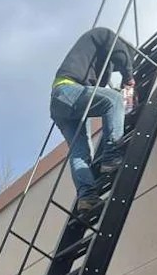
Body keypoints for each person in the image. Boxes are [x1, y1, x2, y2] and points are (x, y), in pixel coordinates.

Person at [50, 27, 136, 217]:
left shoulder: (97, 59)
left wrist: (119, 90)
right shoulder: (104, 34)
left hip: (61, 104)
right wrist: (129, 77)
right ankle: (112, 155)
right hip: (68, 90)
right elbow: (120, 54)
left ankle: (87, 196)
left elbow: (100, 89)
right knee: (113, 100)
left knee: (80, 152)